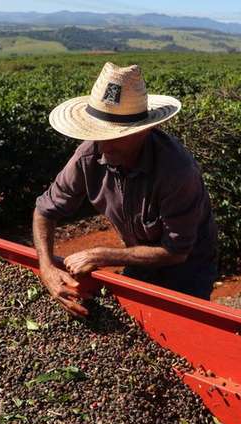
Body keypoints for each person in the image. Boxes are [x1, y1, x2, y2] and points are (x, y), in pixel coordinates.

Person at [32, 62, 218, 317]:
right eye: (100, 135)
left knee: (182, 327)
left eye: (116, 137)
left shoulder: (176, 171)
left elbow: (176, 252)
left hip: (189, 265)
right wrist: (46, 267)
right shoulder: (89, 155)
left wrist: (102, 255)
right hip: (138, 252)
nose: (105, 146)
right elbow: (45, 211)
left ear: (144, 131)